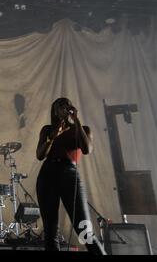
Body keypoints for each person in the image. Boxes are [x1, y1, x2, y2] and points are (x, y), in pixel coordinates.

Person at [35, 97, 106, 254]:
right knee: (50, 232)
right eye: (61, 105)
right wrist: (52, 136)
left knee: (84, 230)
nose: (65, 107)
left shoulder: (82, 129)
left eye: (67, 104)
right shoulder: (47, 130)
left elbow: (87, 149)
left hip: (69, 174)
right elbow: (40, 155)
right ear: (55, 111)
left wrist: (77, 121)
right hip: (47, 174)